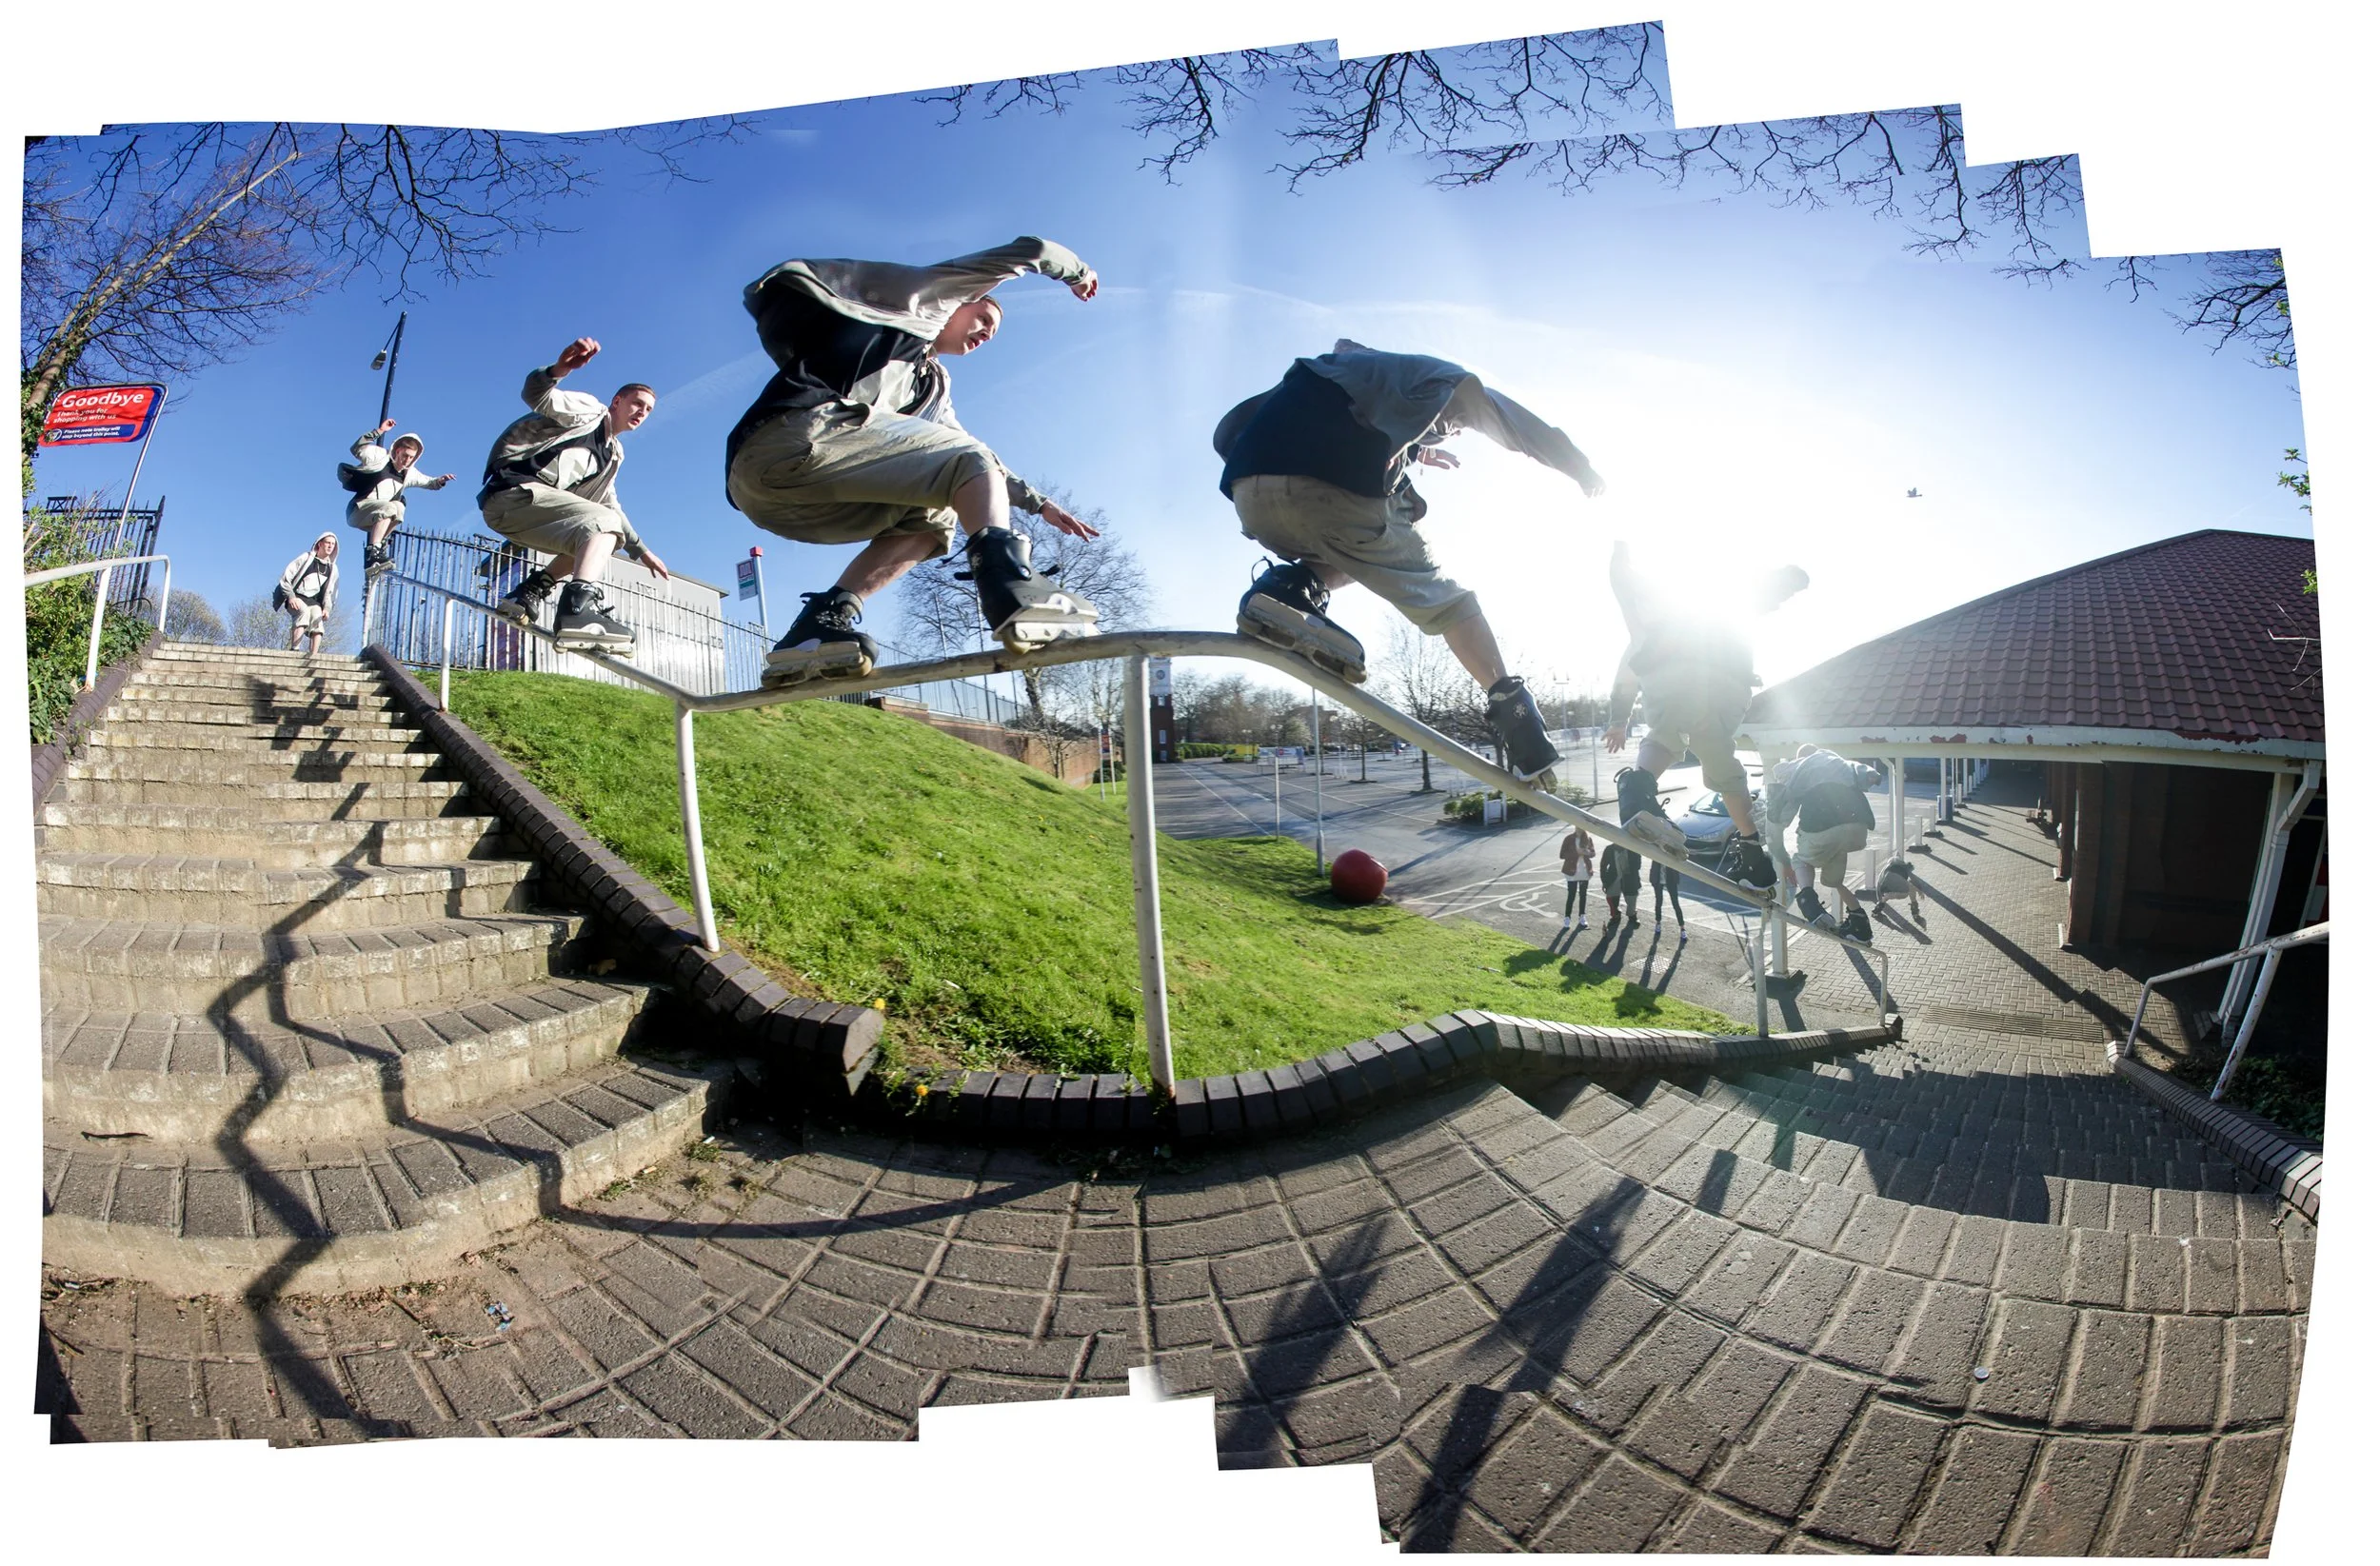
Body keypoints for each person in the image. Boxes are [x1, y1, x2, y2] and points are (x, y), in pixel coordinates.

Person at [1212, 341, 1606, 785]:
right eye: (1453, 427)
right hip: (1334, 488)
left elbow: (1230, 431)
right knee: (1449, 600)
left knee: (1353, 554)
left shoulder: (1347, 373)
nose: (1453, 430)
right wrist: (1580, 468)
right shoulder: (1444, 380)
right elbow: (1519, 427)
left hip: (1250, 497)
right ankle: (1519, 720)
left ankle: (1286, 589)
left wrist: (1416, 451)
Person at [723, 237, 1104, 686]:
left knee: (935, 517)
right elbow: (1029, 250)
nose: (985, 333)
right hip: (789, 439)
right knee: (965, 461)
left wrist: (1037, 503)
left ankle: (821, 623)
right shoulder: (923, 304)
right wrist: (1077, 271)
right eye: (983, 318)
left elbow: (973, 455)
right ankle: (1010, 587)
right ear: (962, 303)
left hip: (787, 499)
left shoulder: (932, 390)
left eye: (993, 334)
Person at [1602, 541, 1809, 893]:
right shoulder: (1712, 608)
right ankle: (1753, 855)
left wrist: (1618, 720)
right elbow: (1747, 596)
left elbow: (1625, 679)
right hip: (1727, 688)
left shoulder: (1644, 634)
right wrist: (1784, 582)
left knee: (1663, 735)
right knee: (1722, 764)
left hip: (1669, 681)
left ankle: (1637, 797)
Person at [479, 337, 670, 653]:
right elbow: (537, 396)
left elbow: (610, 505)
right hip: (513, 494)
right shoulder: (589, 413)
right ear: (617, 401)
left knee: (597, 537)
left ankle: (527, 593)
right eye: (637, 403)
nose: (642, 412)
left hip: (524, 516)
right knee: (602, 526)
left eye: (648, 410)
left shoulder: (614, 454)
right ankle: (577, 610)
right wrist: (559, 369)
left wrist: (641, 550)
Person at [1768, 743, 1885, 941]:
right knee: (1834, 881)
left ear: (1800, 759)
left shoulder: (1802, 768)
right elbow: (1869, 774)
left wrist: (1778, 846)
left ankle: (1808, 900)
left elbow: (1784, 806)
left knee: (1801, 860)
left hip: (1822, 827)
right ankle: (1860, 925)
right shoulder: (1841, 763)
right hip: (1858, 829)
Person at [339, 419, 453, 575]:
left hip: (375, 519)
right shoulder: (379, 457)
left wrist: (440, 481)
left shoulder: (409, 474)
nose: (406, 460)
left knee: (399, 507)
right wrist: (379, 431)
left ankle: (379, 546)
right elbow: (357, 448)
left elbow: (428, 482)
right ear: (398, 451)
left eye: (411, 458)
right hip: (358, 510)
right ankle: (373, 551)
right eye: (405, 455)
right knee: (391, 507)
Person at [274, 532, 341, 653]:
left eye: (333, 544)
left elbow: (331, 592)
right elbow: (286, 577)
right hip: (297, 597)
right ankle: (295, 650)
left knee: (317, 617)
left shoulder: (332, 569)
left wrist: (327, 608)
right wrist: (291, 597)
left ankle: (313, 656)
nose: (330, 546)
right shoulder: (306, 558)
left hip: (315, 602)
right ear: (320, 544)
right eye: (328, 543)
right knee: (303, 612)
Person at [1873, 854, 1928, 928]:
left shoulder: (1884, 870)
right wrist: (1920, 890)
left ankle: (1877, 909)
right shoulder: (1903, 867)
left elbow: (1878, 884)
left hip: (1887, 890)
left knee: (1888, 895)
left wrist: (1879, 899)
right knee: (1911, 888)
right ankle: (1915, 910)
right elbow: (1913, 878)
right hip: (1900, 891)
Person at [1557, 824, 1595, 932]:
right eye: (1577, 827)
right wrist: (1576, 853)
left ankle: (1582, 916)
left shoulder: (1588, 839)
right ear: (1575, 827)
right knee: (1571, 895)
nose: (1579, 829)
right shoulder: (1569, 839)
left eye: (1581, 827)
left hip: (1584, 871)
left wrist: (1588, 853)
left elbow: (1593, 853)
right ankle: (1567, 917)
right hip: (1571, 871)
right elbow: (1562, 855)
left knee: (1583, 895)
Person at [1600, 840, 1641, 926]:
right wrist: (1604, 881)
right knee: (1611, 896)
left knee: (1631, 898)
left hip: (1629, 878)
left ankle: (1632, 915)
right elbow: (1603, 865)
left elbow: (1638, 865)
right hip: (1614, 877)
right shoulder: (1609, 849)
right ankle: (1616, 914)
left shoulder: (1632, 848)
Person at [1649, 859, 1689, 937]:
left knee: (1675, 904)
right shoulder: (1657, 850)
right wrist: (1652, 880)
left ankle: (1682, 928)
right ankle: (1658, 922)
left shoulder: (1671, 850)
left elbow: (1678, 862)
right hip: (1658, 880)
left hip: (1671, 880)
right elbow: (1653, 866)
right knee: (1659, 902)